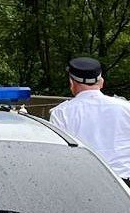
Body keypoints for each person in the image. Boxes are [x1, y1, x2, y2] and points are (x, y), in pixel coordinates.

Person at [50, 57, 130, 187]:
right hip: (125, 185)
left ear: (72, 83)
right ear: (101, 82)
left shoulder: (61, 113)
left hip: (84, 183)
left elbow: (59, 155)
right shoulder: (126, 108)